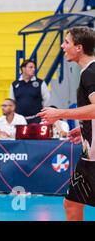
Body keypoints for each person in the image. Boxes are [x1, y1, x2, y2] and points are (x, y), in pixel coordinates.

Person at [38, 26, 95, 221]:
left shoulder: (91, 73)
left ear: (78, 47)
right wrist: (84, 128)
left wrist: (60, 113)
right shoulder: (88, 72)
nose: (62, 46)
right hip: (89, 156)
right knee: (72, 203)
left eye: (67, 42)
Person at [10, 59, 50, 124]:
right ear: (23, 68)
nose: (33, 69)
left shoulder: (40, 83)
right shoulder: (14, 84)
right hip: (20, 120)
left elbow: (46, 99)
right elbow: (12, 101)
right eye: (31, 67)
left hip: (36, 119)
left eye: (34, 67)